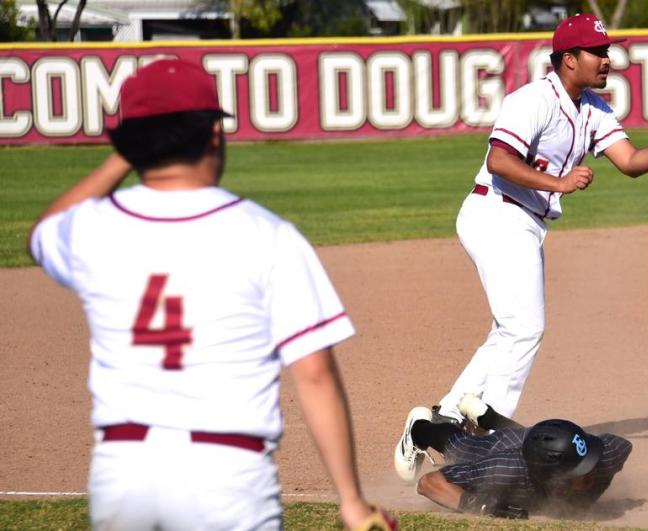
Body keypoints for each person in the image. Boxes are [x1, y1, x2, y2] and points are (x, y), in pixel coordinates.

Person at [27, 59, 394, 531]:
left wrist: (128, 155)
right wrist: (350, 501)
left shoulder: (92, 228)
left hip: (122, 474)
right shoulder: (267, 235)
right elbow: (315, 375)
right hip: (226, 476)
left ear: (134, 144)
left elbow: (42, 233)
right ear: (214, 136)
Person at [432, 13, 648, 423]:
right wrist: (560, 182)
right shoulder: (532, 101)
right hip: (495, 213)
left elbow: (631, 162)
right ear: (569, 58)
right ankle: (491, 429)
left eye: (607, 51)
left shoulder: (594, 109)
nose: (607, 60)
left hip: (523, 223)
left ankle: (441, 418)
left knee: (508, 330)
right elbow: (499, 161)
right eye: (598, 52)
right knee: (526, 328)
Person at [394, 394, 632, 519]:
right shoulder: (504, 469)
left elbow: (623, 445)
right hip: (508, 448)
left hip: (540, 442)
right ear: (552, 478)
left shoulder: (606, 455)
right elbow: (428, 483)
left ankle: (488, 418)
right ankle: (419, 428)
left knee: (539, 440)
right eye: (580, 470)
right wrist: (483, 505)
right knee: (464, 448)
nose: (591, 469)